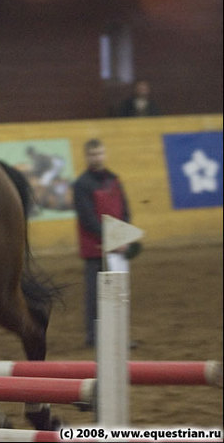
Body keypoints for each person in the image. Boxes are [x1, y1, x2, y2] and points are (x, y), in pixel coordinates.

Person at [72, 140, 133, 348]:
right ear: (87, 156)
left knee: (119, 293)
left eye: (100, 153)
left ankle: (119, 334)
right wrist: (112, 239)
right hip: (95, 249)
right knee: (95, 295)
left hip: (117, 248)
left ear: (104, 154)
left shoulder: (114, 179)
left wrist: (122, 236)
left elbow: (125, 210)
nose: (97, 157)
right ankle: (94, 336)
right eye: (93, 154)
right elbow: (88, 219)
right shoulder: (81, 184)